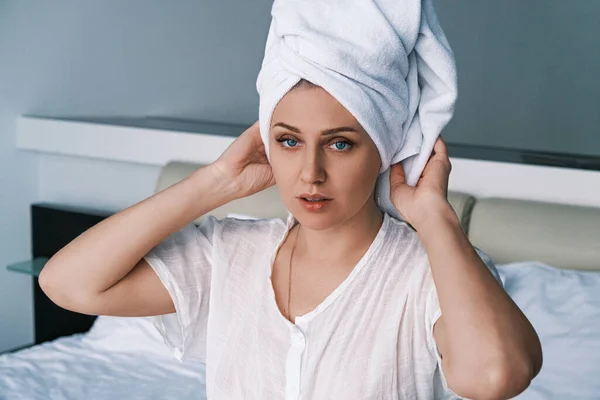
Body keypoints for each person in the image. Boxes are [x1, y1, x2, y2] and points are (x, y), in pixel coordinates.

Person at [40, 78, 542, 399]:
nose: (310, 173)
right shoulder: (226, 253)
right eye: (288, 141)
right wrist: (215, 182)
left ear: (386, 151)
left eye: (340, 143)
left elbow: (493, 377)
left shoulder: (435, 271)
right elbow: (68, 285)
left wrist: (436, 217)